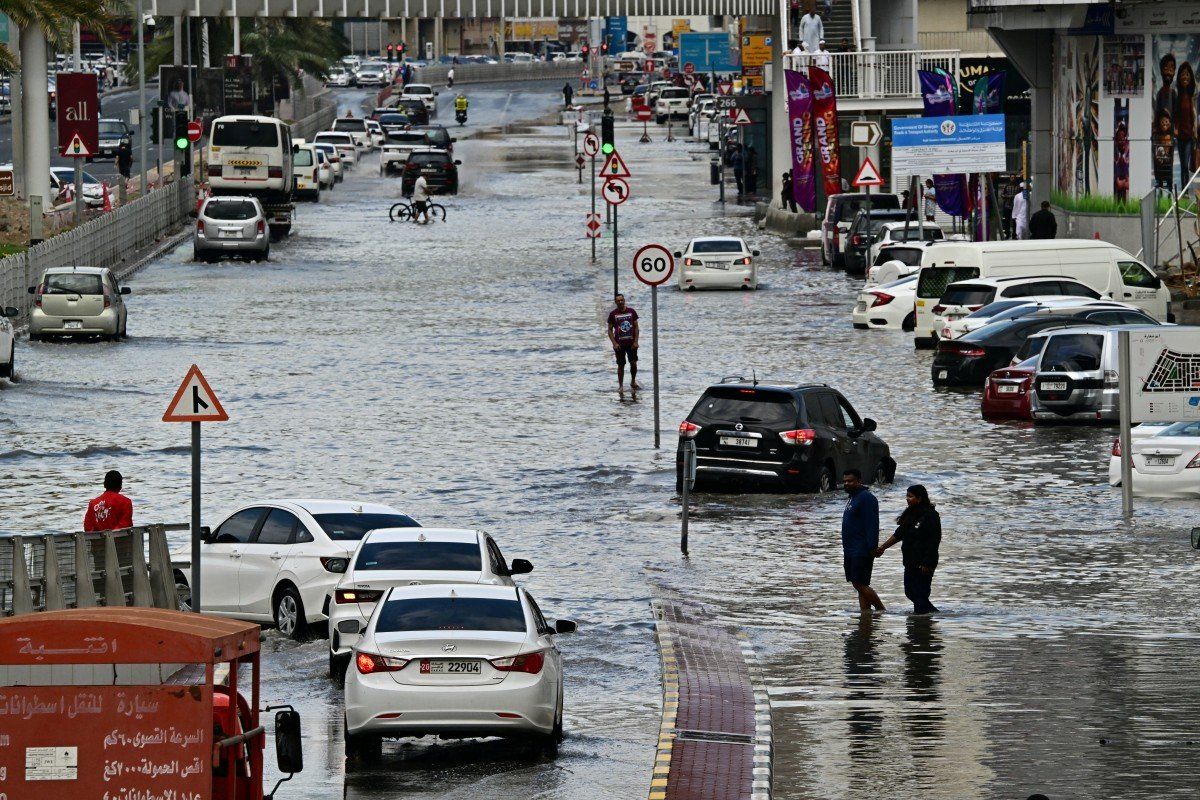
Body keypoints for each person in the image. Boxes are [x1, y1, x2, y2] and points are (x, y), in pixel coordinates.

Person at [874, 485, 941, 614]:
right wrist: (883, 547)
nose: (907, 499)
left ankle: (925, 619)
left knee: (920, 593)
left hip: (924, 562)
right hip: (910, 560)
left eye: (910, 496)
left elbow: (934, 541)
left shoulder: (931, 515)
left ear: (919, 498)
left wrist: (927, 562)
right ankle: (927, 616)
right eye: (907, 496)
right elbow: (899, 534)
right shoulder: (910, 514)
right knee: (910, 592)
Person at [842, 469, 885, 614]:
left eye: (850, 481)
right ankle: (865, 614)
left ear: (859, 481)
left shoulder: (867, 498)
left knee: (858, 583)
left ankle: (881, 609)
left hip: (861, 549)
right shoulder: (853, 497)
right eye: (845, 481)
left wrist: (872, 546)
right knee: (860, 584)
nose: (846, 484)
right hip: (850, 549)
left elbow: (872, 524)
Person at [607, 294, 640, 390]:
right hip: (619, 345)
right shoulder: (613, 314)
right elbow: (609, 330)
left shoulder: (631, 311)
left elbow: (636, 327)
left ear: (624, 300)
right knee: (621, 365)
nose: (620, 302)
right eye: (618, 301)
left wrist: (636, 341)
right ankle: (621, 386)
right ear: (615, 302)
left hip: (631, 344)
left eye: (622, 300)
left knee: (633, 363)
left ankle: (633, 381)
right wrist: (614, 343)